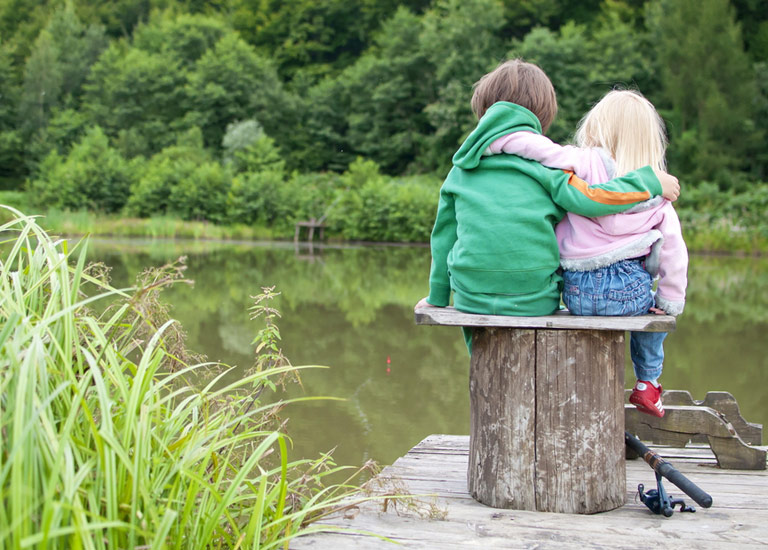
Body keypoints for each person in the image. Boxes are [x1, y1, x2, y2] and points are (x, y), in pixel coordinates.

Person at [415, 59, 680, 351]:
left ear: (484, 112)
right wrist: (649, 182)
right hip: (535, 299)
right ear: (542, 116)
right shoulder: (548, 168)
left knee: (479, 334)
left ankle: (478, 358)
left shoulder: (460, 170)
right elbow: (590, 199)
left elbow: (443, 240)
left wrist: (437, 297)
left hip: (469, 297)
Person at [484, 89, 688, 417]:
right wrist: (669, 304)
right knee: (655, 313)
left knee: (646, 307)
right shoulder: (658, 190)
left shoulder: (583, 162)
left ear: (597, 127)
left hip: (577, 292)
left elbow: (537, 148)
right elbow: (674, 256)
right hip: (628, 295)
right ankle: (647, 383)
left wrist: (496, 143)